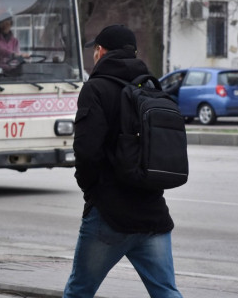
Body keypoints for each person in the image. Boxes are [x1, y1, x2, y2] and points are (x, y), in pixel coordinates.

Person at [64, 24, 183, 298]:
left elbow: (86, 151)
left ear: (101, 51)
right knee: (166, 291)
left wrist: (91, 191)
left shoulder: (95, 88)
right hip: (152, 212)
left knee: (78, 291)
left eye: (95, 50)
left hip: (109, 213)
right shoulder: (152, 88)